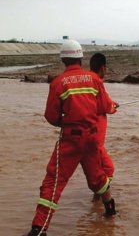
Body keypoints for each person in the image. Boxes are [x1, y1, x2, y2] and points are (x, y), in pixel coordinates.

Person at [26, 40, 116, 236]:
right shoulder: (94, 79)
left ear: (63, 60)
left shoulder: (58, 83)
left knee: (53, 181)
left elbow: (51, 116)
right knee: (97, 177)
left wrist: (65, 122)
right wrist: (112, 107)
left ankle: (38, 229)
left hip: (71, 140)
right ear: (81, 58)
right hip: (92, 139)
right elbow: (105, 107)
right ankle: (110, 207)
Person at [89, 53, 118, 198]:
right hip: (96, 139)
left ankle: (97, 197)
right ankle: (102, 200)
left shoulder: (87, 80)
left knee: (98, 169)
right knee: (108, 168)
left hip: (89, 137)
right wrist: (112, 107)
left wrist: (111, 105)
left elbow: (104, 102)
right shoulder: (97, 82)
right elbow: (106, 106)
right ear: (103, 67)